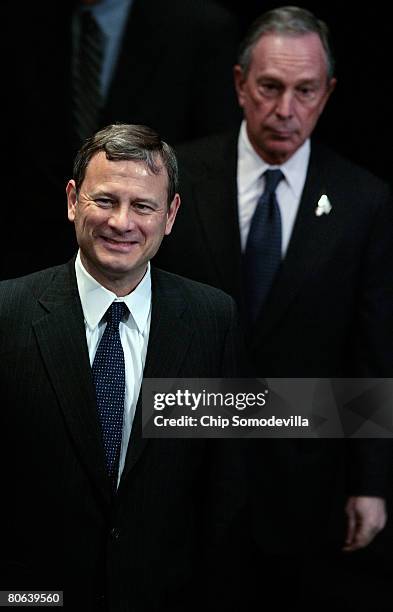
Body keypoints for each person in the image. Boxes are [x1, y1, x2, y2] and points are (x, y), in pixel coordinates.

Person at [154, 6, 393, 609]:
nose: (285, 110)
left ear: (328, 93)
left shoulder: (364, 201)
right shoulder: (175, 177)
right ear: (239, 84)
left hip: (305, 482)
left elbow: (372, 347)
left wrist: (369, 483)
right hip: (185, 472)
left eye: (305, 91)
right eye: (269, 88)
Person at [0, 124, 245, 612]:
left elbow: (223, 490)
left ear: (170, 215)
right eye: (105, 200)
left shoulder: (211, 319)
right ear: (73, 200)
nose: (122, 222)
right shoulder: (8, 313)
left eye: (143, 206)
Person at [2, 0, 241, 279]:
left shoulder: (201, 28)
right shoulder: (19, 21)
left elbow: (211, 166)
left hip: (159, 278)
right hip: (30, 267)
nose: (118, 221)